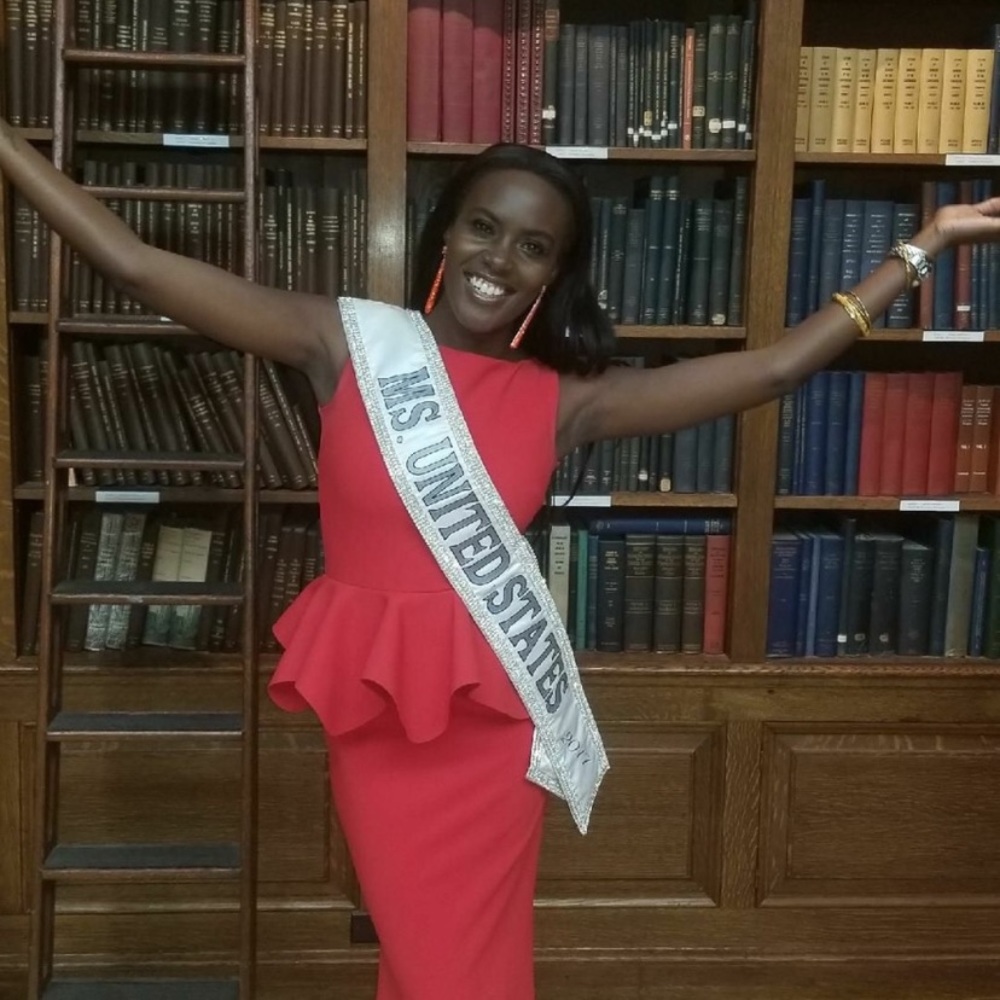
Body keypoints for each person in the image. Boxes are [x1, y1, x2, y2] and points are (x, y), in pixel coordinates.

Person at [3, 119, 1000, 999]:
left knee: (457, 966)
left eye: (534, 247)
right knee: (426, 955)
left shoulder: (566, 399)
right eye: (484, 227)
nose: (500, 260)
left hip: (490, 727)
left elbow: (774, 367)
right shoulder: (345, 343)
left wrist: (921, 247)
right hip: (384, 717)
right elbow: (132, 262)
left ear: (552, 273)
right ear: (446, 230)